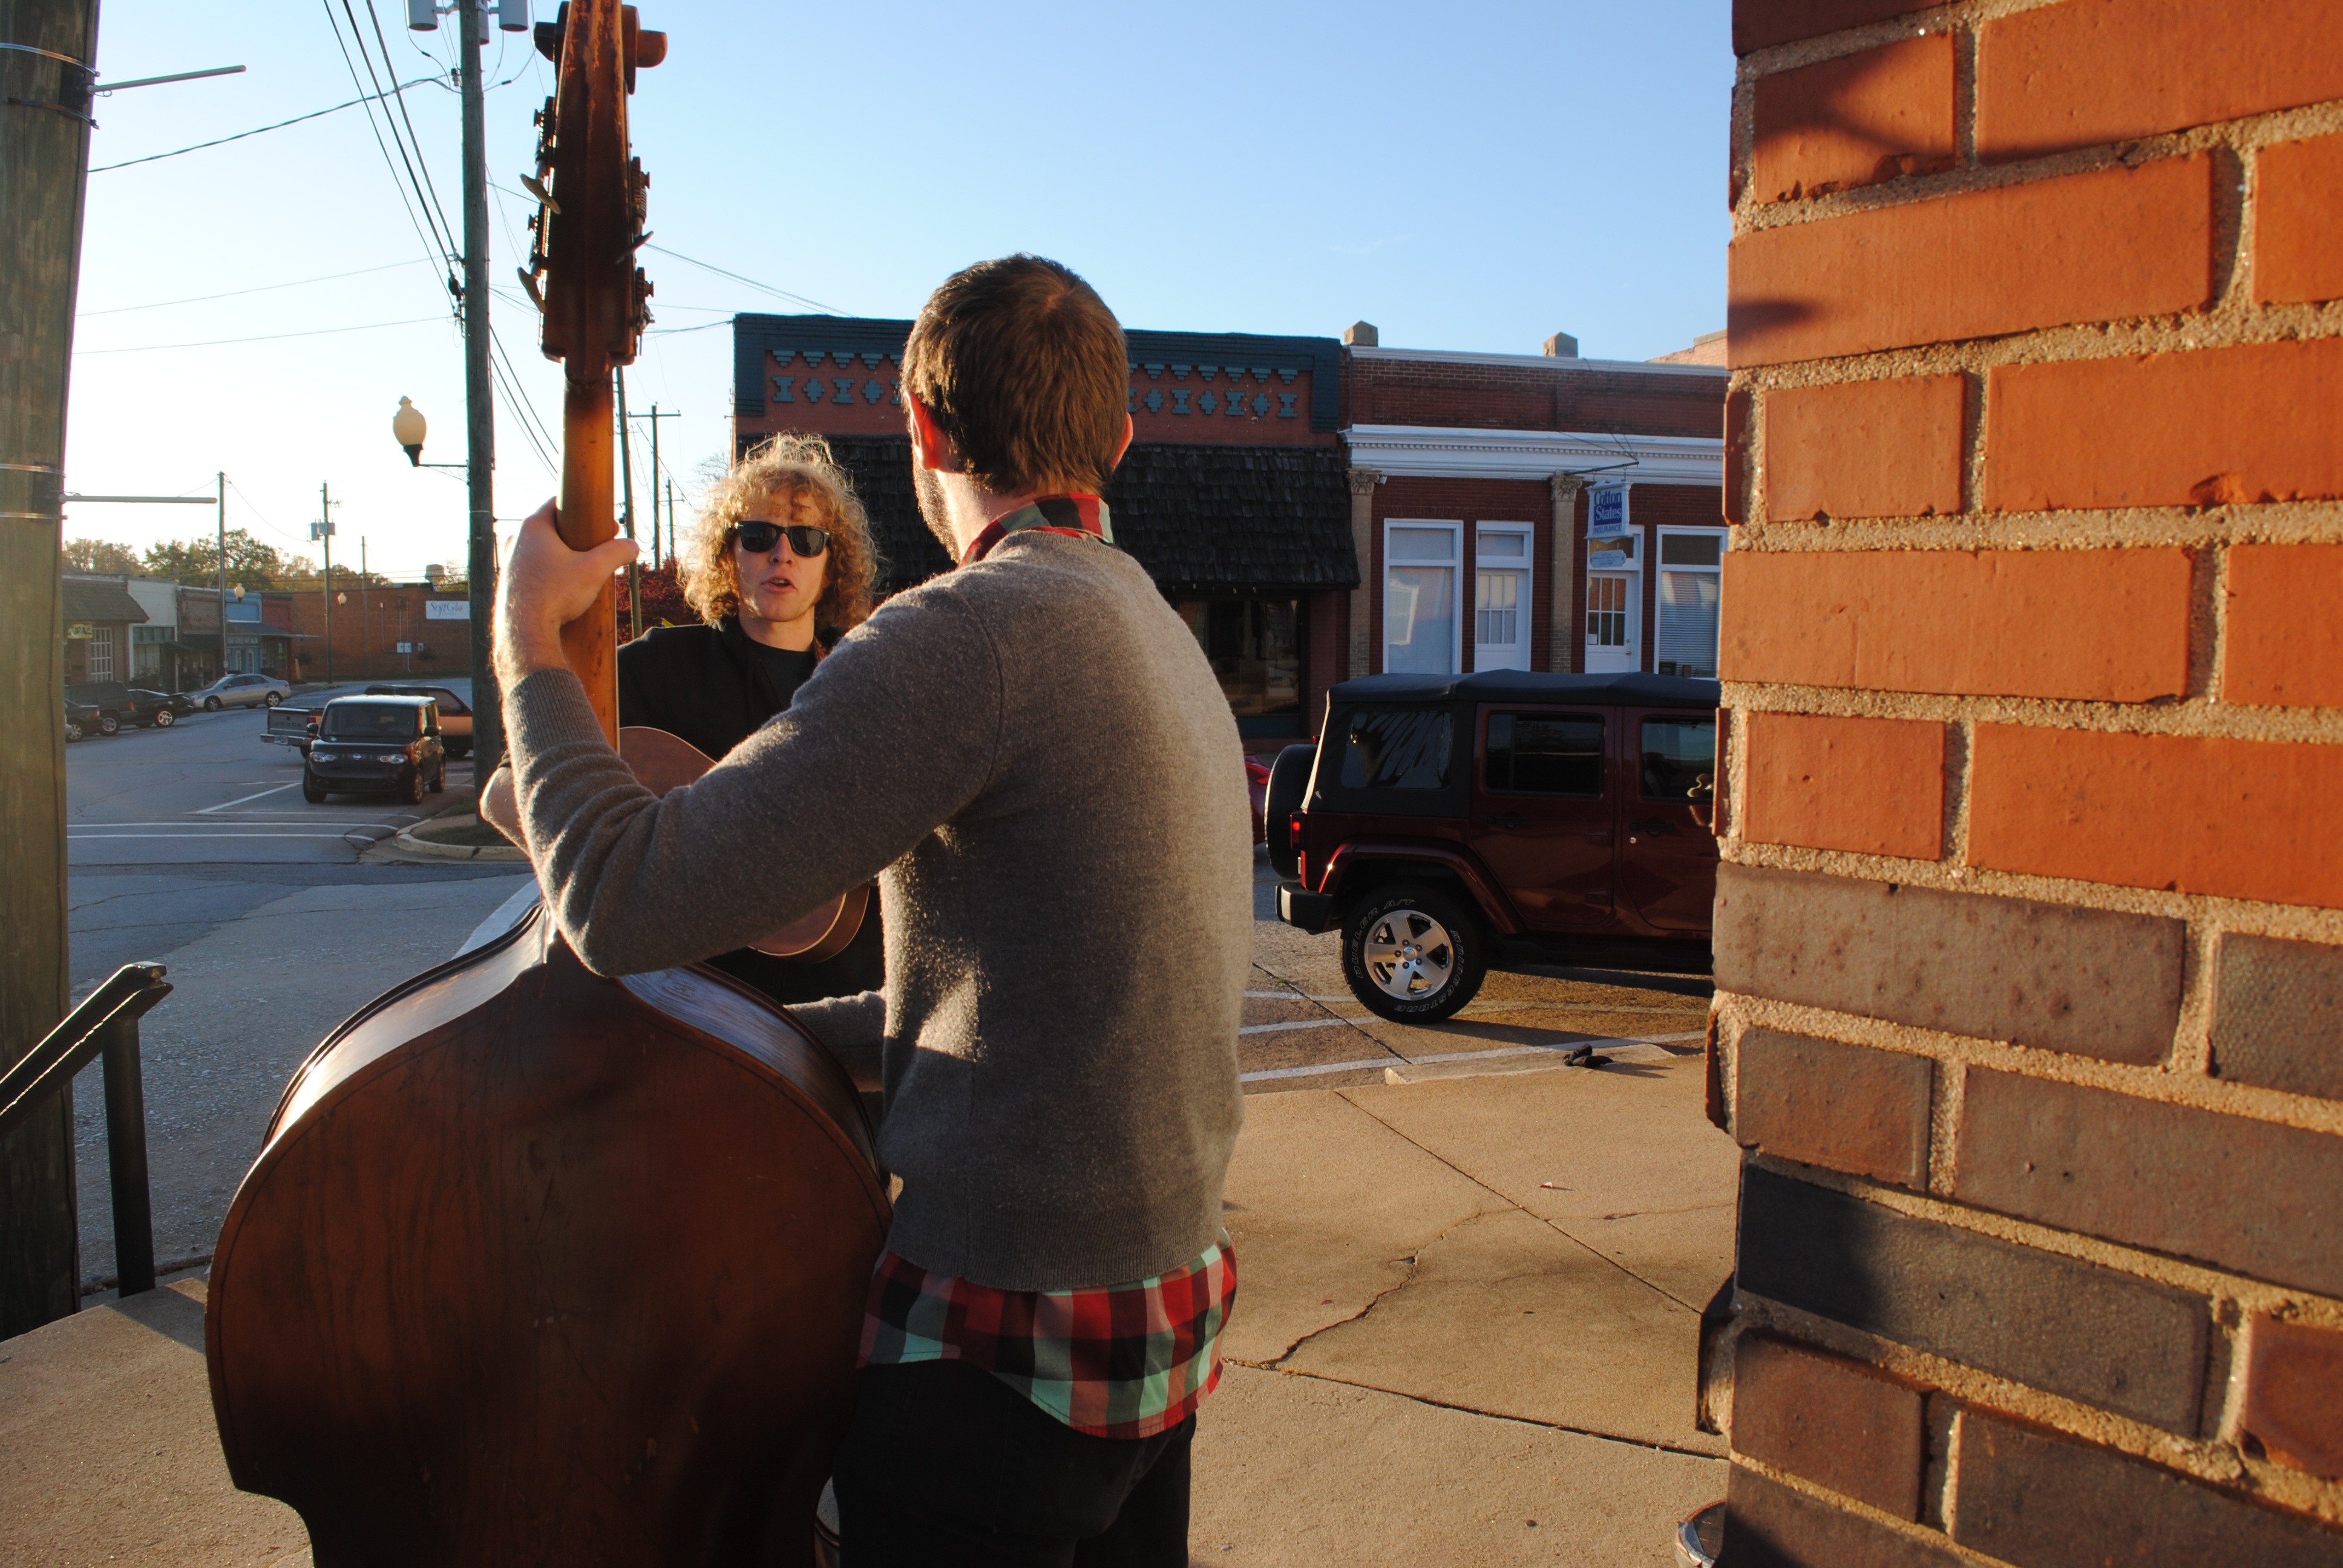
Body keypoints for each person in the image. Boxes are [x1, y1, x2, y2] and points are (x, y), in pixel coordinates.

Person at [493, 254, 1250, 1566]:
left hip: (1003, 1356)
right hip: (1160, 1323)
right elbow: (1031, 1001)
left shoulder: (970, 632)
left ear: (922, 430)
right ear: (1117, 442)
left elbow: (614, 897)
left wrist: (527, 646)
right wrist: (760, 1042)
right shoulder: (1161, 631)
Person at [617, 433, 884, 1005]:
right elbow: (513, 785)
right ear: (728, 557)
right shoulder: (659, 667)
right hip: (699, 1007)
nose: (782, 555)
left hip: (843, 1014)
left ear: (832, 567)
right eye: (759, 537)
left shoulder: (870, 678)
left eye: (807, 540)